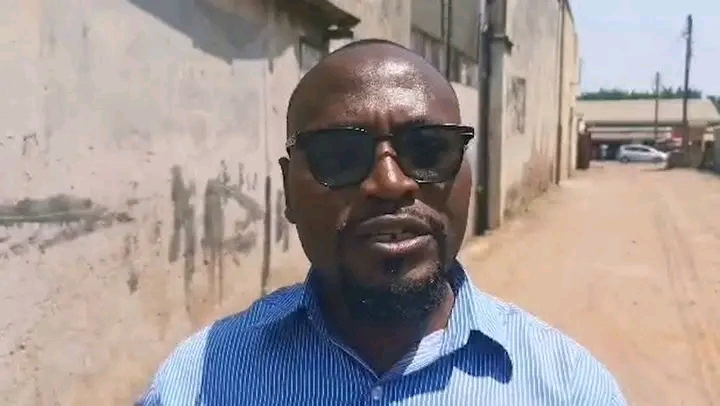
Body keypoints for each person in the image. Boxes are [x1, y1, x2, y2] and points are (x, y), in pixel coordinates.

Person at [136, 39, 626, 405]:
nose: (390, 183)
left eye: (428, 149)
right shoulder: (195, 384)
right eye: (340, 155)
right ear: (289, 190)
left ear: (466, 176)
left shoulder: (568, 387)